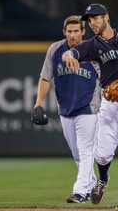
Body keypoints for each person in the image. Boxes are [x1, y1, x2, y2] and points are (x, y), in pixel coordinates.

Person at [62, 4, 118, 211]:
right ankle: (102, 180)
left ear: (106, 18)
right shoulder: (92, 45)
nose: (92, 23)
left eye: (96, 18)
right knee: (101, 155)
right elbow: (71, 52)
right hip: (109, 102)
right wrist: (69, 57)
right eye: (89, 20)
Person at [34, 15, 101, 203]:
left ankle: (79, 192)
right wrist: (38, 102)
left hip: (89, 108)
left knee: (86, 150)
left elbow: (105, 79)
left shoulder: (93, 50)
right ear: (64, 32)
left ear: (83, 32)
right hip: (65, 109)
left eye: (76, 31)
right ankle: (91, 186)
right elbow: (45, 78)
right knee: (77, 153)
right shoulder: (55, 49)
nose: (73, 35)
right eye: (69, 31)